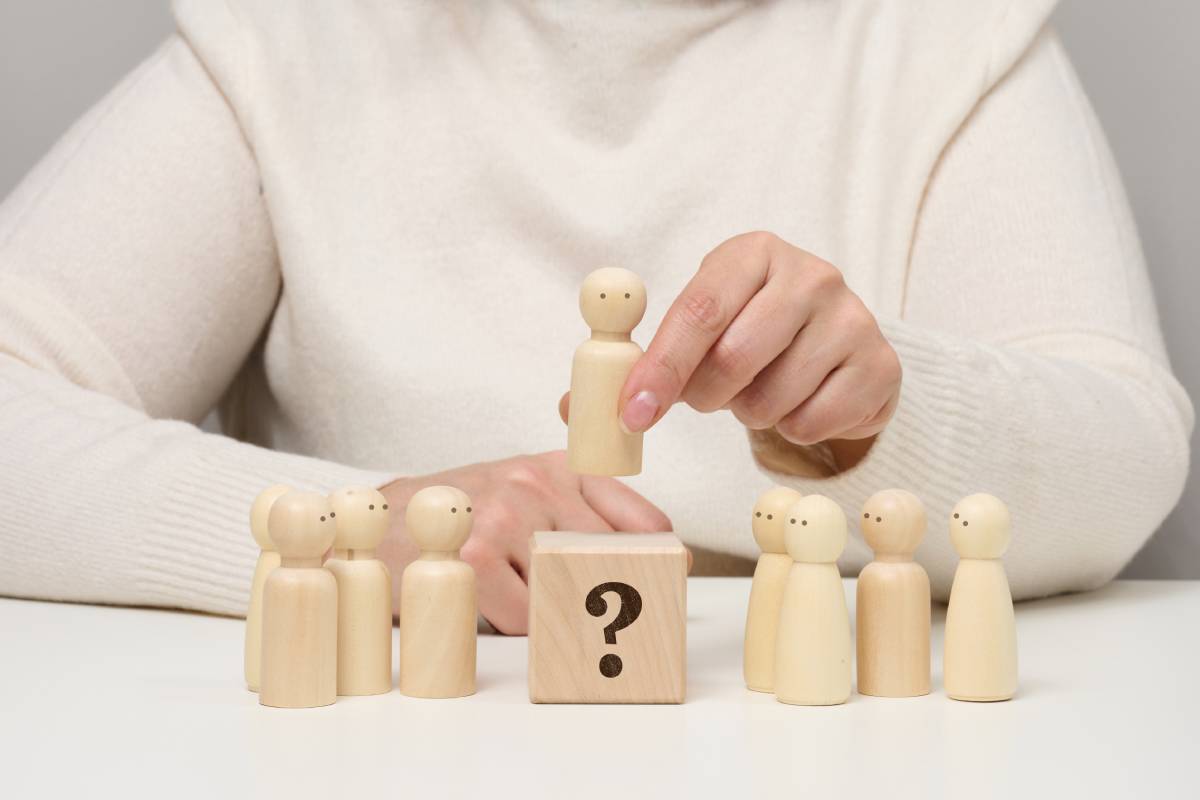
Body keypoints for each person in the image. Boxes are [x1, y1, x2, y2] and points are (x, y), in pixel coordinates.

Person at [0, 0, 1190, 634]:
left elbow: (1130, 457)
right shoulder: (293, 39)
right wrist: (350, 530)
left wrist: (890, 415)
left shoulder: (940, 35)